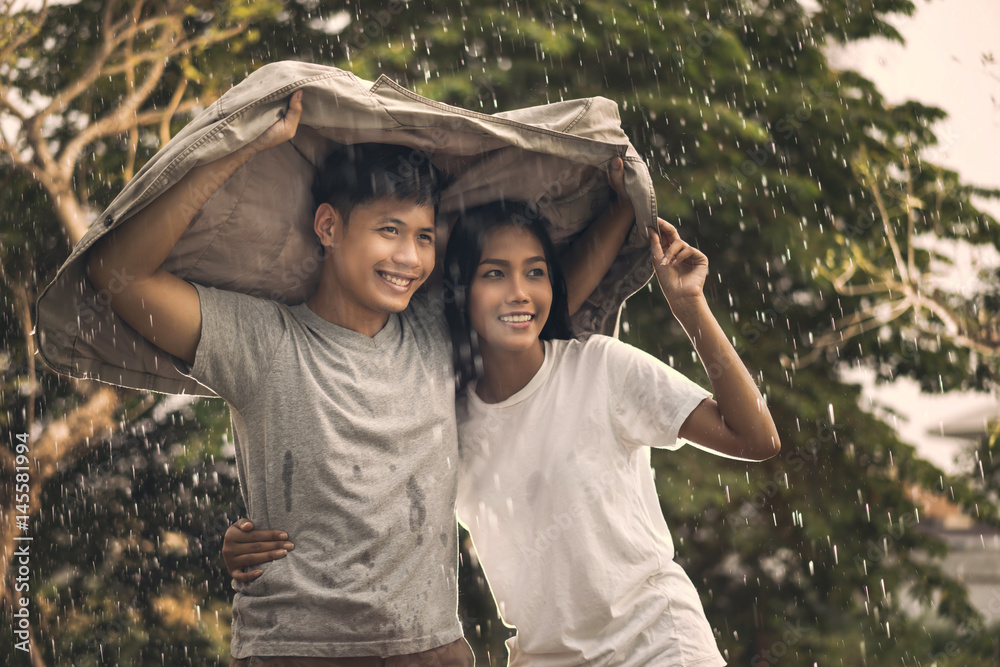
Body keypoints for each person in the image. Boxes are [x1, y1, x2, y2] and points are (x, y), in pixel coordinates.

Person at [88, 90, 637, 665]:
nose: (410, 258)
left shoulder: (436, 329)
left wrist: (625, 208)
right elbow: (117, 273)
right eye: (389, 231)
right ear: (328, 226)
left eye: (424, 237)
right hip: (296, 650)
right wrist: (237, 152)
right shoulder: (263, 341)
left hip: (431, 650)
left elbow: (545, 300)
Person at [225, 200, 781, 665]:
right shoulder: (444, 419)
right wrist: (259, 538)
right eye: (495, 274)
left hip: (660, 645)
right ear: (461, 291)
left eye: (535, 272)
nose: (519, 292)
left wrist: (689, 305)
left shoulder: (601, 369)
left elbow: (756, 440)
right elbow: (358, 501)